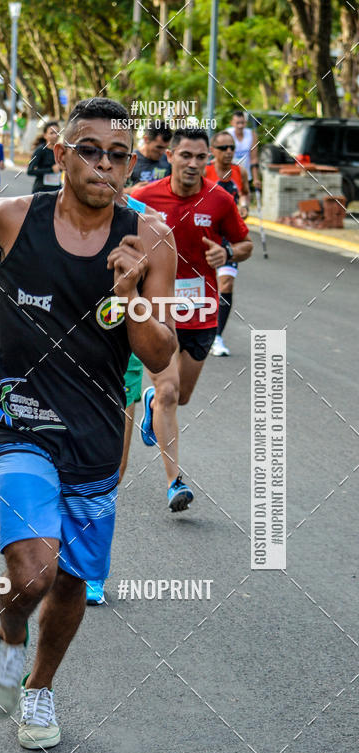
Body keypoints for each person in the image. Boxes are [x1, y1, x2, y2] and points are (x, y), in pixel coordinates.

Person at [0, 97, 177, 749]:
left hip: (97, 433)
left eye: (118, 154)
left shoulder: (150, 239)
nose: (104, 164)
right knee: (36, 574)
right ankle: (12, 624)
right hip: (20, 417)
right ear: (63, 153)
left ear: (131, 163)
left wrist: (127, 297)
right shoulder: (15, 219)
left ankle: (38, 691)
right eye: (89, 150)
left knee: (72, 578)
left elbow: (159, 354)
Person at [130, 127, 253, 511]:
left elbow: (244, 244)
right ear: (170, 156)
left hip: (201, 310)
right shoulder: (142, 198)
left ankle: (152, 405)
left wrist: (228, 252)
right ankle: (174, 482)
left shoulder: (220, 199)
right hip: (157, 309)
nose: (194, 164)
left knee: (179, 396)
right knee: (168, 391)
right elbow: (116, 235)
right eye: (186, 156)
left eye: (201, 157)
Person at [205, 131, 251, 356]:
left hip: (227, 237)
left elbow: (245, 194)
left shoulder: (239, 172)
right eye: (223, 148)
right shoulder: (205, 171)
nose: (229, 152)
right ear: (213, 151)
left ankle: (217, 336)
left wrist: (244, 205)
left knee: (226, 284)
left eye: (232, 147)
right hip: (204, 234)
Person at [125, 122, 172, 191]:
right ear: (146, 139)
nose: (162, 152)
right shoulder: (130, 159)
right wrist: (131, 190)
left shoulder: (168, 161)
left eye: (166, 148)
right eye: (159, 147)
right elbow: (114, 190)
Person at [227, 110, 261, 188]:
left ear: (245, 122)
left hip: (245, 176)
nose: (240, 126)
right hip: (230, 177)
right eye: (237, 123)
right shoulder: (227, 135)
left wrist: (256, 179)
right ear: (232, 123)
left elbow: (254, 158)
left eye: (242, 123)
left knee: (245, 198)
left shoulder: (252, 135)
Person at [27, 121, 61, 192]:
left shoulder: (60, 150)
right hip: (41, 191)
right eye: (52, 133)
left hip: (57, 191)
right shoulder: (40, 150)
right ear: (45, 135)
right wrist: (51, 170)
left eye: (57, 132)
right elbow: (30, 171)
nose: (55, 135)